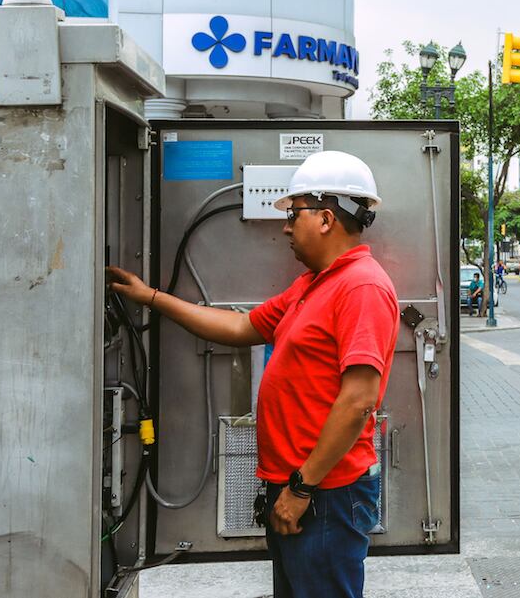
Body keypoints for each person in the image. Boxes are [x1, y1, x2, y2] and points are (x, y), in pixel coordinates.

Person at [107, 150, 397, 598]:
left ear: (324, 218)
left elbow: (359, 401)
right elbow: (242, 326)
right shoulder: (315, 283)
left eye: (293, 213)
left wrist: (301, 489)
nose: (285, 226)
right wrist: (151, 298)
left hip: (324, 494)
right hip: (300, 487)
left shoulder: (361, 287)